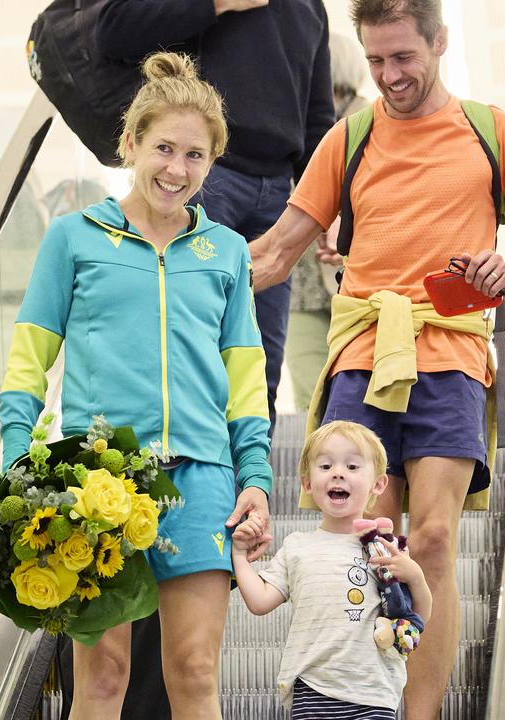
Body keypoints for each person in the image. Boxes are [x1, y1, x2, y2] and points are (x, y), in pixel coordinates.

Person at [248, 0, 505, 720]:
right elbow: (274, 253)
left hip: (450, 350)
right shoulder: (351, 137)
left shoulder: (489, 129)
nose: (390, 76)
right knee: (359, 544)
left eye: (404, 57)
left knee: (429, 538)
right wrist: (178, 264)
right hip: (362, 354)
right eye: (376, 61)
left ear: (438, 42)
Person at [0, 52, 273, 720]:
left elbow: (245, 376)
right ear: (130, 144)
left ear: (211, 163)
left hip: (200, 477)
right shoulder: (72, 239)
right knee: (105, 673)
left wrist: (255, 474)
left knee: (193, 670)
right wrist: (22, 460)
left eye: (195, 155)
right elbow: (27, 361)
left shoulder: (224, 253)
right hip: (98, 482)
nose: (178, 168)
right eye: (164, 149)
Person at [96, 0, 335, 430]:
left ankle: (251, 491)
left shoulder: (310, 8)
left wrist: (328, 207)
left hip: (279, 192)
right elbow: (113, 28)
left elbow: (318, 118)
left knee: (261, 366)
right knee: (189, 355)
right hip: (205, 177)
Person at [231, 420, 432, 720]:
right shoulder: (298, 547)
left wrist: (414, 574)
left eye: (351, 466)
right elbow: (261, 601)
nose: (337, 474)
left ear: (378, 484)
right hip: (312, 693)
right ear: (306, 483)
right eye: (325, 466)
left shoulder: (385, 550)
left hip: (373, 693)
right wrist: (240, 560)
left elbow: (418, 618)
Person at [286, 30, 370, 411]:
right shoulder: (287, 121)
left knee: (355, 390)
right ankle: (315, 467)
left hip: (355, 282)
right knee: (309, 391)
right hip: (298, 281)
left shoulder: (372, 122)